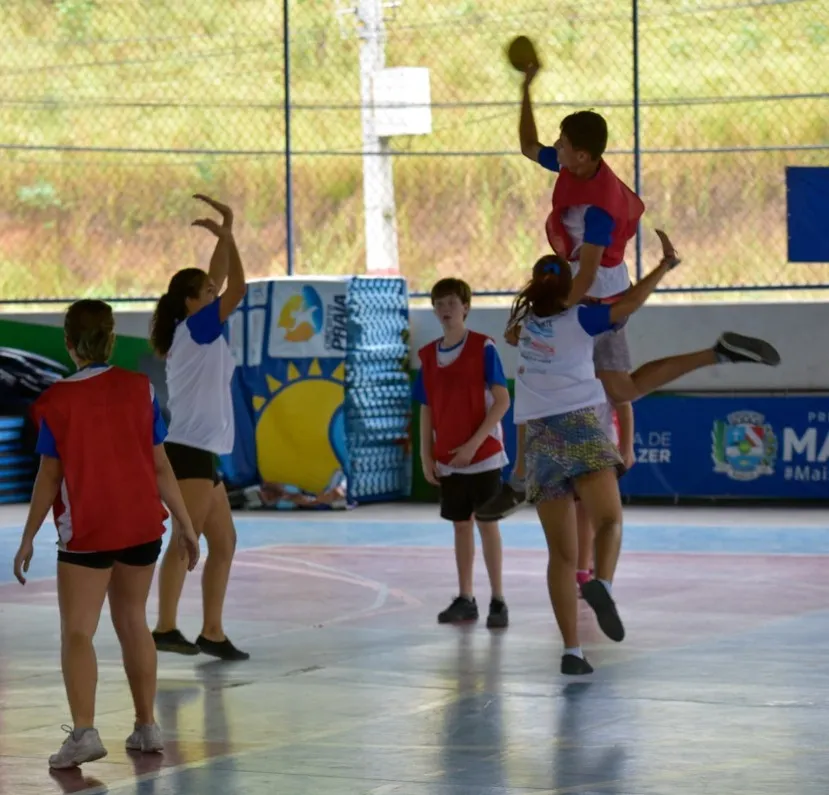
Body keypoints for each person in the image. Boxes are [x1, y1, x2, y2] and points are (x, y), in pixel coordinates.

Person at [479, 61, 781, 519]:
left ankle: (528, 480)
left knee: (621, 388)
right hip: (581, 289)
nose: (555, 147)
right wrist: (525, 86)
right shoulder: (573, 168)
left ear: (581, 156)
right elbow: (526, 145)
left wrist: (550, 317)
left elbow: (587, 275)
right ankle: (524, 479)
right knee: (592, 385)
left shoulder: (599, 209)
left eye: (563, 144)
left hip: (594, 294)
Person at [506, 242, 780, 675]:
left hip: (542, 441)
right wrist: (662, 267)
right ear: (569, 289)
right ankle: (604, 584)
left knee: (560, 556)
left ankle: (572, 653)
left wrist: (519, 466)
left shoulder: (523, 331)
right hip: (579, 428)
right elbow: (630, 302)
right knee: (610, 522)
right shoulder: (580, 318)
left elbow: (515, 339)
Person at [12, 299, 199, 769]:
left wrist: (29, 534)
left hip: (88, 532)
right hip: (141, 525)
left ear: (69, 344)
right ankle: (146, 726)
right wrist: (186, 522)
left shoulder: (54, 402)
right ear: (112, 339)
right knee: (133, 621)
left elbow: (49, 477)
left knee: (78, 630)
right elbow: (160, 465)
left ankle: (84, 732)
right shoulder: (141, 389)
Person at [149, 195, 250, 661]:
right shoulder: (198, 329)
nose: (214, 295)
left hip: (202, 453)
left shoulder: (197, 328)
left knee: (223, 543)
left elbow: (220, 280)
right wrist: (229, 237)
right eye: (206, 293)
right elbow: (237, 290)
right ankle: (165, 627)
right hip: (188, 451)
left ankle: (212, 630)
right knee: (183, 540)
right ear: (192, 303)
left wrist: (224, 232)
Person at [413, 278, 511, 628]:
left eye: (452, 302)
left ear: (466, 306)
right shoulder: (427, 356)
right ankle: (465, 597)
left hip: (482, 455)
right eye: (439, 303)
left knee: (487, 524)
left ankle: (498, 599)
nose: (445, 309)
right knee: (460, 526)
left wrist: (473, 444)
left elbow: (502, 400)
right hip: (449, 459)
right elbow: (426, 408)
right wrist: (427, 456)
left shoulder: (483, 348)